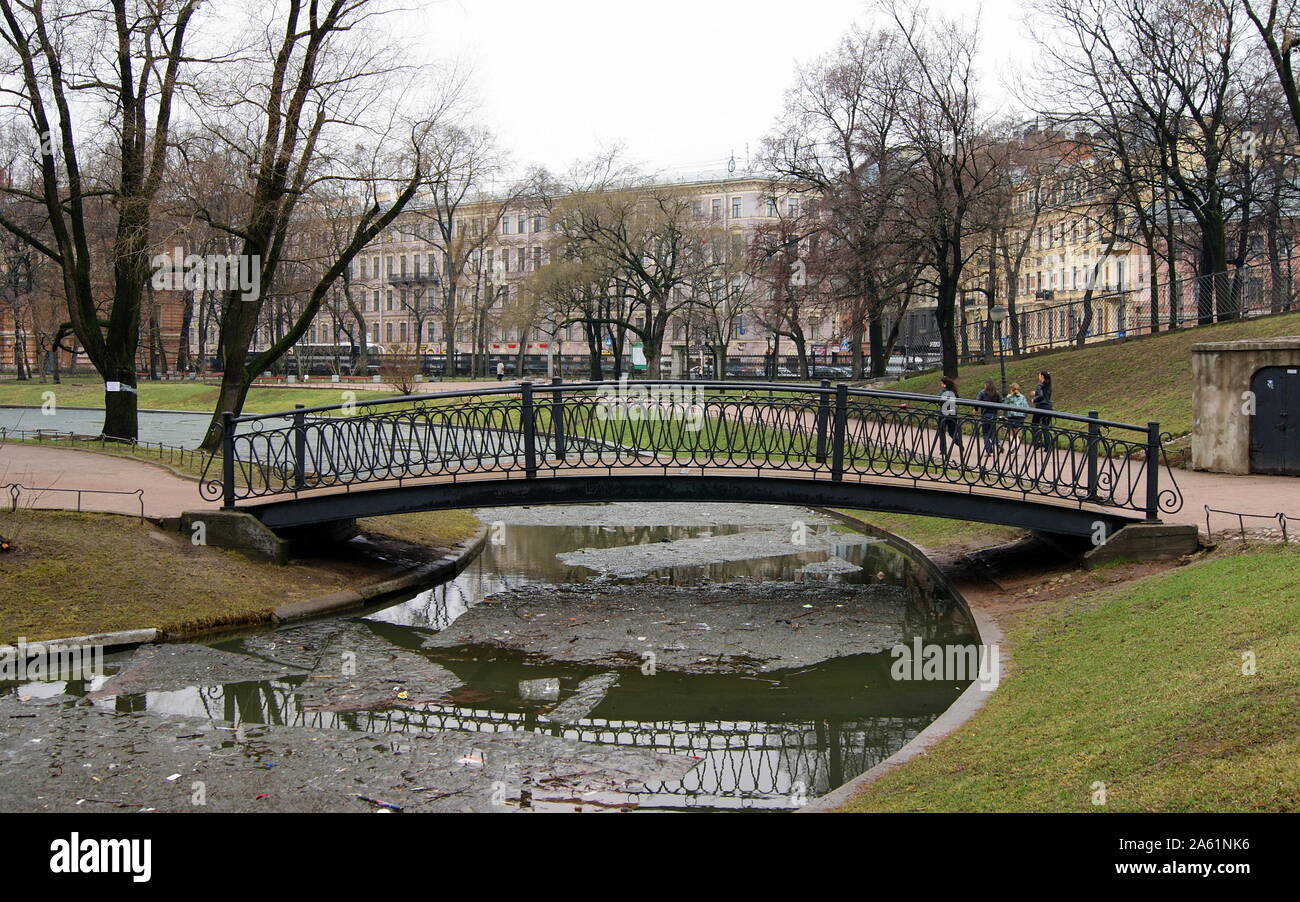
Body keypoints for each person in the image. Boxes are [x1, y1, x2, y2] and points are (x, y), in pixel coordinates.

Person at [936, 376, 962, 457]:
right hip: (952, 413)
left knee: (941, 432)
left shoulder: (942, 391)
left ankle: (943, 450)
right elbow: (958, 400)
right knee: (952, 432)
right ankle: (959, 444)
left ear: (943, 383)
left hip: (943, 414)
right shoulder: (953, 390)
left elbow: (939, 401)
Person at [975, 378, 1001, 453]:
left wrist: (976, 409)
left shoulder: (982, 393)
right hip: (993, 415)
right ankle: (997, 442)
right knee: (992, 431)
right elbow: (1001, 401)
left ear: (986, 385)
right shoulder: (996, 393)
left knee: (985, 433)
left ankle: (988, 450)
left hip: (985, 415)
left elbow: (977, 402)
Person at [1031, 370, 1054, 450]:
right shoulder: (1049, 386)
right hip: (1048, 408)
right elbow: (1045, 395)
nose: (1038, 377)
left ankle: (1037, 442)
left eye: (1039, 375)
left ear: (1042, 376)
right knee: (1045, 427)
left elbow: (1041, 396)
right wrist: (1036, 393)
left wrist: (1034, 399)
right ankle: (1047, 446)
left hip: (1040, 408)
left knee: (1034, 425)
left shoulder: (1039, 385)